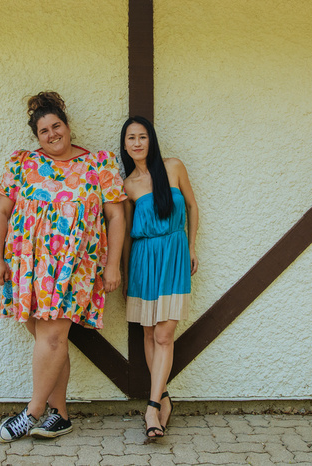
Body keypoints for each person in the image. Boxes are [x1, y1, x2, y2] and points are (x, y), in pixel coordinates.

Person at [0, 91, 126, 442]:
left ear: (67, 125)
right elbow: (1, 213)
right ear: (37, 137)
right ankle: (60, 415)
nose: (52, 134)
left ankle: (32, 412)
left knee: (51, 338)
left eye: (56, 126)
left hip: (73, 267)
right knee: (48, 340)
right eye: (44, 131)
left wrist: (112, 265)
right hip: (28, 265)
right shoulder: (21, 164)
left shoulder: (99, 165)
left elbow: (116, 217)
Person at [120, 116, 199, 438]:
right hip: (142, 259)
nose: (137, 143)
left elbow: (192, 207)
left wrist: (192, 248)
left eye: (142, 136)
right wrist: (125, 275)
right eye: (130, 138)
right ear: (124, 146)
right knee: (149, 334)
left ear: (151, 140)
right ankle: (163, 399)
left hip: (174, 254)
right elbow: (125, 234)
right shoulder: (128, 186)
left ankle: (151, 407)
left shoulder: (174, 167)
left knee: (165, 334)